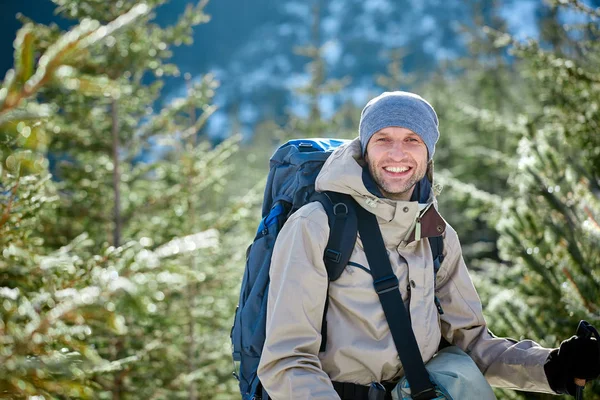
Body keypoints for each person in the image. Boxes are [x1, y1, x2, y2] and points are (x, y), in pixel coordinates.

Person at [256, 91, 600, 399]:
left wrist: (553, 368)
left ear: (428, 152)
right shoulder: (316, 225)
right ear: (364, 148)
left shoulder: (436, 234)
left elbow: (472, 342)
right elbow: (288, 362)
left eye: (412, 140)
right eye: (382, 139)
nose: (397, 153)